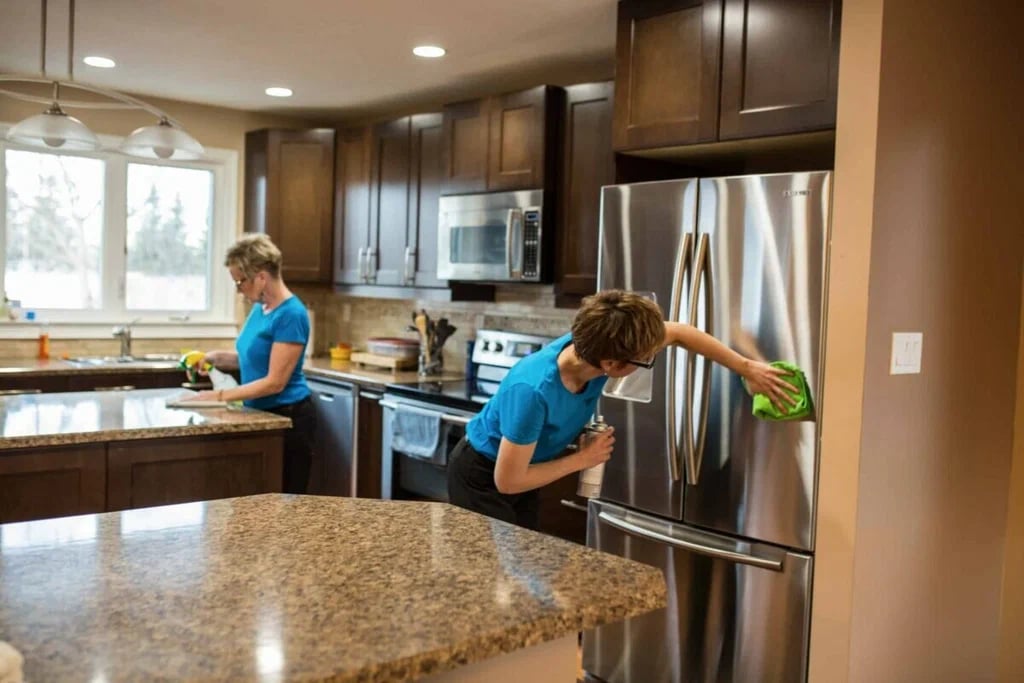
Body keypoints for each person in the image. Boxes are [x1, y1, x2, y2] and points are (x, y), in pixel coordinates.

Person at [446, 289, 797, 530]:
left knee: (520, 569)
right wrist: (582, 459)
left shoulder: (605, 343)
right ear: (612, 364)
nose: (647, 360)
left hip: (527, 467)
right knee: (492, 578)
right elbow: (507, 481)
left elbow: (682, 333)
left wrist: (748, 368)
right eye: (643, 361)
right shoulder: (533, 390)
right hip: (484, 476)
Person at [183, 234, 315, 494]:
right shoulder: (260, 307)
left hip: (288, 420)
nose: (238, 289)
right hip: (261, 416)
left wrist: (219, 396)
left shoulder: (291, 315)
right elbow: (253, 358)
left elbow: (274, 382)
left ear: (261, 277)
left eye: (240, 281)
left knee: (284, 508)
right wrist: (214, 358)